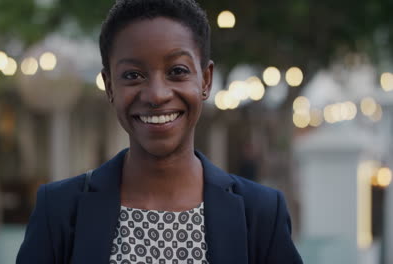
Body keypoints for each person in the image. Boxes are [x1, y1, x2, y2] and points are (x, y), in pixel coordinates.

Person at [16, 0, 303, 263]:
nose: (156, 94)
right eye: (132, 75)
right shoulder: (60, 210)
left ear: (205, 80)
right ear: (109, 85)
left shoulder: (260, 213)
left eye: (177, 71)